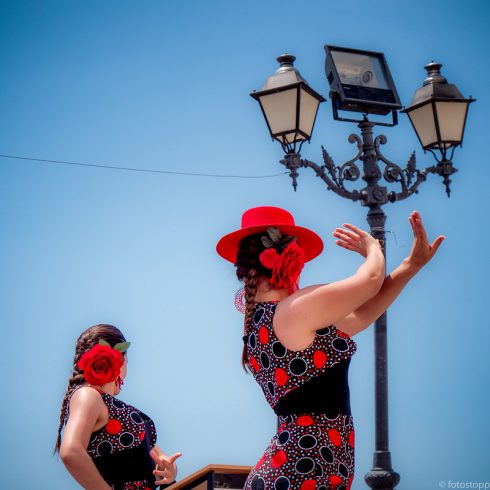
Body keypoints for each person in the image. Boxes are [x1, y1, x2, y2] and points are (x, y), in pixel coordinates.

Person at [216, 206, 444, 490]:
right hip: (303, 473)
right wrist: (373, 248)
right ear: (289, 260)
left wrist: (412, 265)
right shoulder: (292, 312)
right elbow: (371, 281)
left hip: (298, 472)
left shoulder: (269, 320)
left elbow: (363, 314)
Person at [55, 324, 182, 490]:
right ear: (117, 361)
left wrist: (168, 470)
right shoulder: (89, 395)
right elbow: (71, 451)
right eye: (127, 362)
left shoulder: (110, 408)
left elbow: (156, 455)